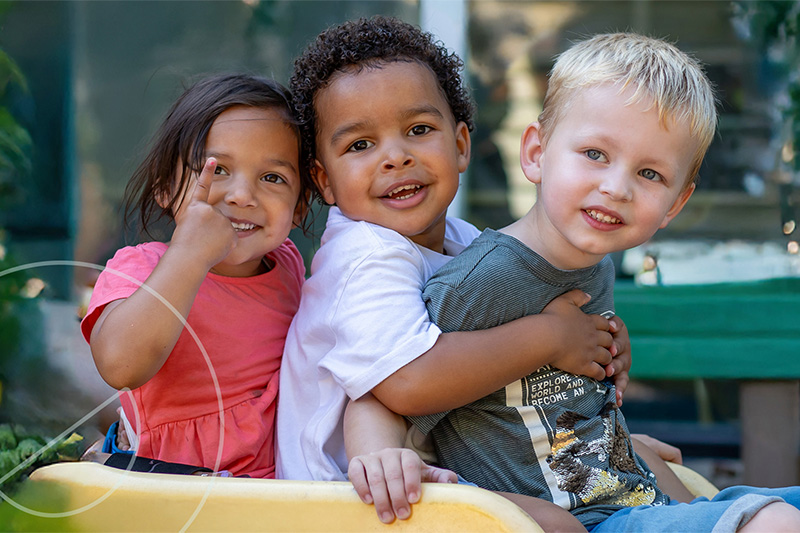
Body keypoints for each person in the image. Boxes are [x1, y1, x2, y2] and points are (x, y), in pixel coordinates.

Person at [382, 33, 800, 531]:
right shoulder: (482, 279)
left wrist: (626, 435)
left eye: (649, 173)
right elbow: (387, 387)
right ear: (536, 152)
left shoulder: (594, 265)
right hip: (579, 521)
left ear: (676, 204)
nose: (616, 187)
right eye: (595, 154)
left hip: (636, 502)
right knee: (775, 522)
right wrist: (381, 459)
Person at [277, 16, 639, 530]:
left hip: (420, 475)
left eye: (418, 130)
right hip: (348, 496)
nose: (395, 157)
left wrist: (598, 340)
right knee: (553, 526)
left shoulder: (465, 241)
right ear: (324, 179)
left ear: (462, 144)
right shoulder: (364, 257)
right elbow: (408, 382)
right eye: (360, 145)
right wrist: (552, 337)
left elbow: (512, 341)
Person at [81, 73, 311, 478]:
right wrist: (189, 254)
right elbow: (120, 366)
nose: (242, 195)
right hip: (166, 488)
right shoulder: (142, 268)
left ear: (299, 208)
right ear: (165, 188)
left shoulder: (288, 266)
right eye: (217, 169)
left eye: (272, 178)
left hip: (273, 492)